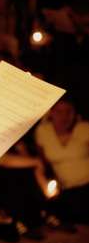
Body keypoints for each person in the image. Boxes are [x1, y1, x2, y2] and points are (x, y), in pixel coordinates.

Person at [35, 96, 89, 224]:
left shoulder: (85, 128)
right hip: (66, 188)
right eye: (59, 111)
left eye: (68, 111)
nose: (64, 116)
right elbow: (42, 161)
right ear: (51, 113)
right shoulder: (43, 131)